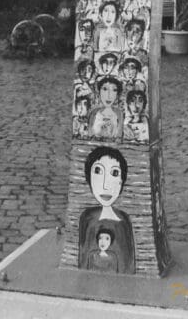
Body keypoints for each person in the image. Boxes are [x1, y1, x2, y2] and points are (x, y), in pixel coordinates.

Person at [78, 145, 135, 274]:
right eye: (97, 171)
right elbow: (82, 258)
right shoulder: (87, 218)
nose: (106, 185)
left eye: (115, 173)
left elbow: (127, 264)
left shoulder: (123, 221)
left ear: (122, 180)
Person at [87, 76, 123, 141]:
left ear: (117, 95)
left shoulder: (119, 114)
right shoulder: (94, 113)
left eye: (114, 90)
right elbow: (89, 135)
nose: (109, 95)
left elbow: (119, 137)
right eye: (105, 89)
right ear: (99, 92)